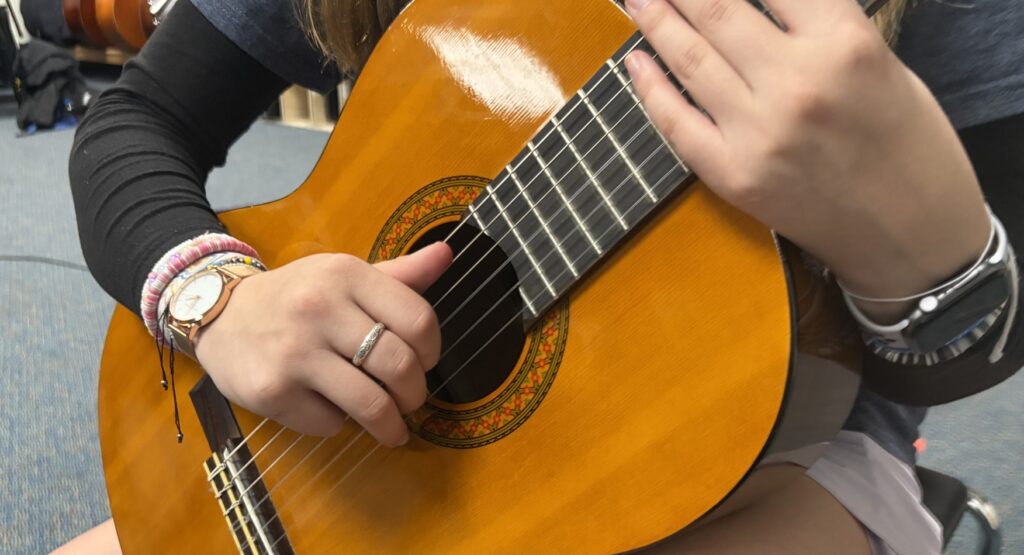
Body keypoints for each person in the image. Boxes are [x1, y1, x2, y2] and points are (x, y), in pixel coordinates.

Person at [61, 0, 1024, 553]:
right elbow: (136, 120)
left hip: (778, 455)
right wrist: (220, 298)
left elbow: (968, 350)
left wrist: (926, 248)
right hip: (362, 456)